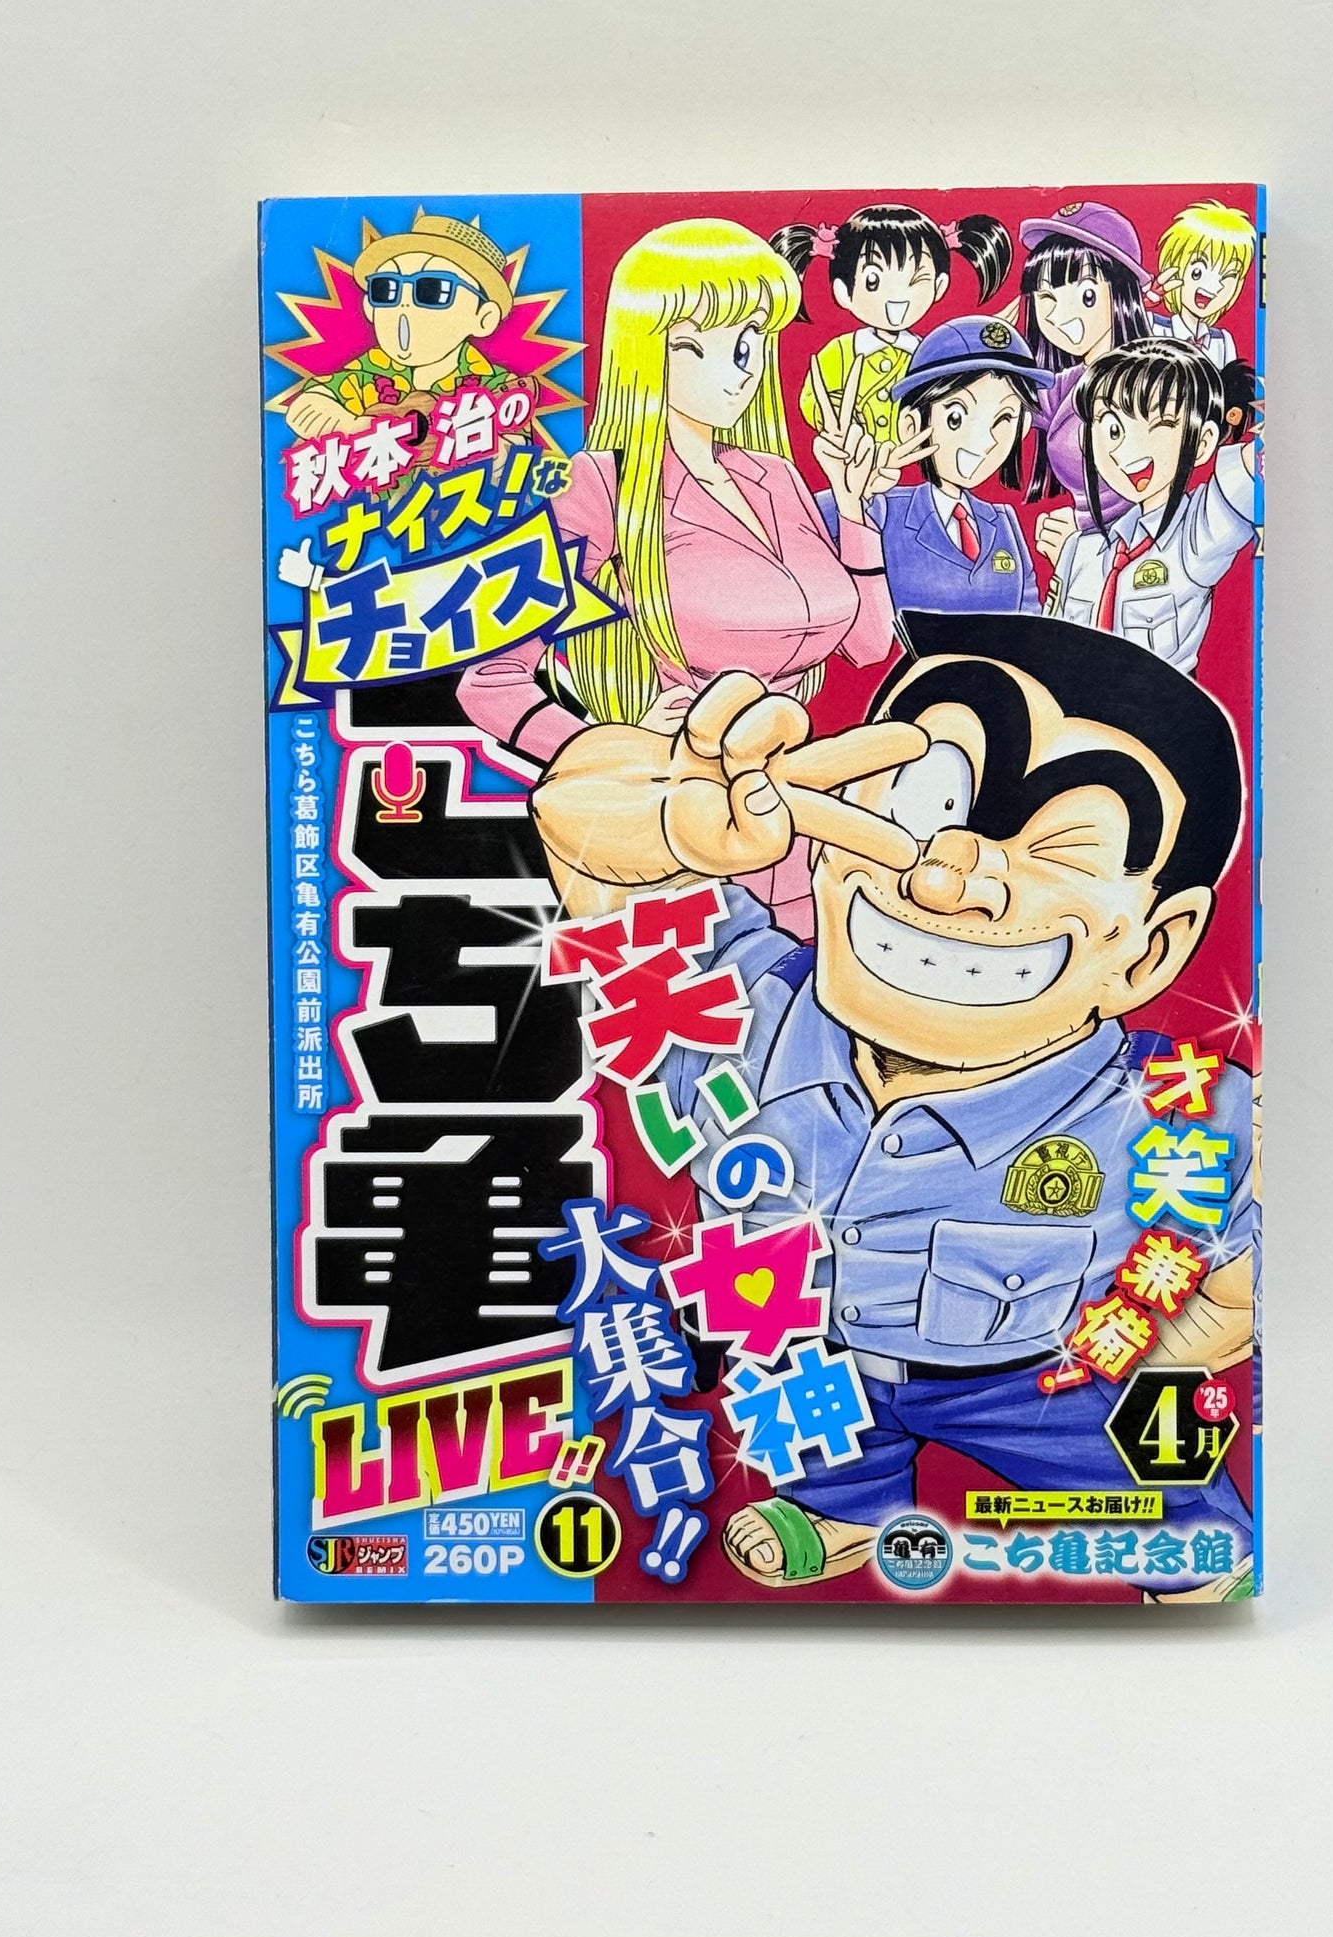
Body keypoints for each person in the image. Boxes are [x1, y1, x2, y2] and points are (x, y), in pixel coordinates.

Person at [528, 611, 1258, 1596]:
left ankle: (1191, 1543)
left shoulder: (1163, 1108)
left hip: (1030, 1376)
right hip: (806, 1352)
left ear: (1150, 949)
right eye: (923, 800)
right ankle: (844, 1511)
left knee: (1140, 1476)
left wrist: (1165, 1349)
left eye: (1060, 851)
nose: (947, 874)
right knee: (800, 1405)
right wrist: (658, 816)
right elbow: (599, 861)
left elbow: (1243, 1254)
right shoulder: (739, 1009)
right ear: (823, 835)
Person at [456, 216, 905, 937]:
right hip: (686, 824)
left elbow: (865, 646)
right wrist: (611, 747)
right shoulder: (603, 485)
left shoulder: (775, 476)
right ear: (648, 351)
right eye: (700, 343)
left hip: (802, 807)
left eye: (751, 340)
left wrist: (853, 511)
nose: (741, 368)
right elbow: (490, 680)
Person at [1038, 338, 1259, 677]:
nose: (1127, 450)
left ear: (1202, 443)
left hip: (1160, 706)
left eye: (1160, 425)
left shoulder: (1196, 534)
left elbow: (1249, 471)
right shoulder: (1079, 551)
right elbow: (1047, 645)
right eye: (1113, 428)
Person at [815, 316, 1044, 616]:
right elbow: (800, 530)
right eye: (956, 417)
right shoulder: (882, 509)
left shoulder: (1004, 523)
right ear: (911, 425)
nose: (984, 440)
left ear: (1022, 428)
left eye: (1004, 419)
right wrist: (851, 496)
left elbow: (1031, 621)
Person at [768, 204, 1011, 447]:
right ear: (843, 292)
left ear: (939, 286)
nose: (897, 297)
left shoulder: (929, 354)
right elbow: (811, 397)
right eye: (873, 281)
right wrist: (834, 415)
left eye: (917, 279)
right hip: (852, 455)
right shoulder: (841, 351)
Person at [282, 208, 518, 440]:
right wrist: (362, 428)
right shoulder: (366, 375)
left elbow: (517, 447)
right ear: (370, 307)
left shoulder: (497, 385)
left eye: (433, 289)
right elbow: (305, 408)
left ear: (484, 318)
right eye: (385, 289)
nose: (404, 304)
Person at [1012, 201, 1156, 537]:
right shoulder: (1068, 385)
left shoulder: (1150, 385)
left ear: (1121, 293)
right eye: (1046, 298)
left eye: (1086, 294)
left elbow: (1159, 478)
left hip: (1138, 540)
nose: (1060, 315)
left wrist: (1087, 524)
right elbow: (1010, 404)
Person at [1149, 200, 1257, 369]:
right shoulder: (1153, 326)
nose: (1213, 287)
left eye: (1228, 276)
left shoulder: (1222, 341)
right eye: (1198, 271)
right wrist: (1138, 303)